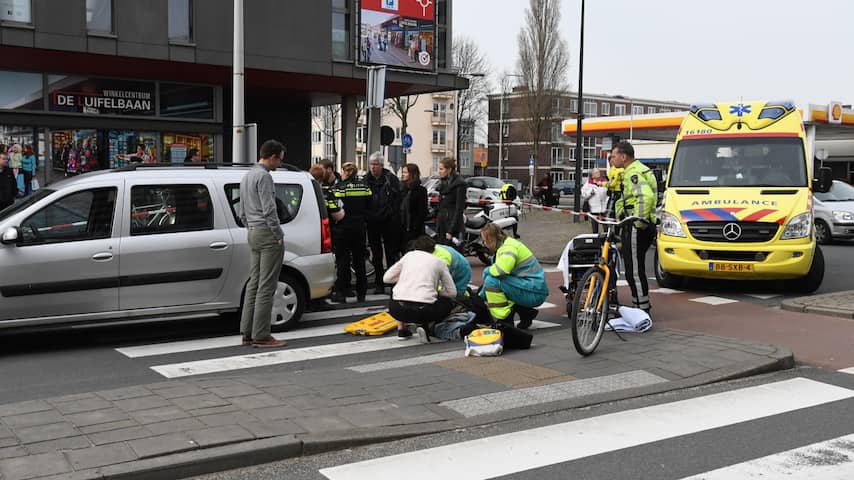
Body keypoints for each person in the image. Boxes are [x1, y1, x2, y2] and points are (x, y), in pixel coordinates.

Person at [238, 139, 287, 348]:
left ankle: (247, 332)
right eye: (280, 160)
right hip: (267, 234)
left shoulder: (247, 175)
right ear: (273, 156)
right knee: (267, 286)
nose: (280, 164)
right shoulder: (264, 177)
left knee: (254, 283)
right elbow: (269, 209)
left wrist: (250, 226)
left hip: (252, 232)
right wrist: (278, 234)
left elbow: (241, 212)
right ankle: (262, 334)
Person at [611, 141, 657, 315]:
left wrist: (637, 222)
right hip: (642, 225)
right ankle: (640, 305)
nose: (612, 159)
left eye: (614, 156)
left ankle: (641, 310)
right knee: (633, 268)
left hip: (636, 226)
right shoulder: (641, 169)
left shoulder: (633, 173)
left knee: (634, 271)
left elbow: (645, 197)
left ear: (624, 157)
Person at [384, 235, 457, 341]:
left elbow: (387, 278)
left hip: (397, 310)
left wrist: (405, 280)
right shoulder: (439, 262)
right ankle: (429, 328)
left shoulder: (408, 256)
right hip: (425, 312)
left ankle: (402, 330)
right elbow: (452, 293)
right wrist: (436, 291)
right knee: (447, 301)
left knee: (396, 290)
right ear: (433, 249)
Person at [480, 223, 549, 329]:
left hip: (533, 292)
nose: (483, 244)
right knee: (498, 285)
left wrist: (486, 271)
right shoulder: (506, 245)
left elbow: (500, 270)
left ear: (491, 240)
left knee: (492, 282)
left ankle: (505, 320)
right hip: (533, 288)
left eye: (485, 240)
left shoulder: (508, 249)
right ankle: (526, 313)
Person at [331, 162, 371, 304]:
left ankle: (342, 292)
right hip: (359, 228)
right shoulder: (364, 187)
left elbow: (333, 207)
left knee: (343, 260)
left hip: (343, 228)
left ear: (345, 172)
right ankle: (362, 293)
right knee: (359, 261)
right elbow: (370, 205)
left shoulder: (339, 188)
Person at [365, 152, 402, 294]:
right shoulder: (365, 180)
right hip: (373, 222)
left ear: (381, 165)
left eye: (376, 165)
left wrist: (390, 214)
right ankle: (379, 283)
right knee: (376, 254)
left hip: (389, 222)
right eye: (371, 165)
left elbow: (396, 199)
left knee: (391, 253)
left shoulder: (391, 179)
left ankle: (393, 283)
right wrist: (370, 216)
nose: (373, 168)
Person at [435, 157, 467, 246]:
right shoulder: (442, 183)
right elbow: (441, 207)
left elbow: (459, 209)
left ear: (449, 170)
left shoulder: (459, 184)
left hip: (452, 225)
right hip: (442, 224)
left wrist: (451, 230)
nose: (439, 171)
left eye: (441, 169)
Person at [399, 163, 427, 249]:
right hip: (401, 228)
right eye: (402, 172)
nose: (403, 175)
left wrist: (415, 227)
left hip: (414, 229)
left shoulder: (420, 191)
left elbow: (421, 211)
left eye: (405, 172)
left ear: (413, 174)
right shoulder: (401, 188)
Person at [581, 168, 609, 233]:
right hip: (593, 208)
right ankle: (595, 239)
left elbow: (608, 194)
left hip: (604, 208)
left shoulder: (604, 182)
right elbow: (584, 194)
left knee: (605, 226)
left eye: (598, 172)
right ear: (592, 175)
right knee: (594, 227)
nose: (598, 173)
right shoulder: (588, 183)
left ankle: (606, 239)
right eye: (596, 172)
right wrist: (590, 192)